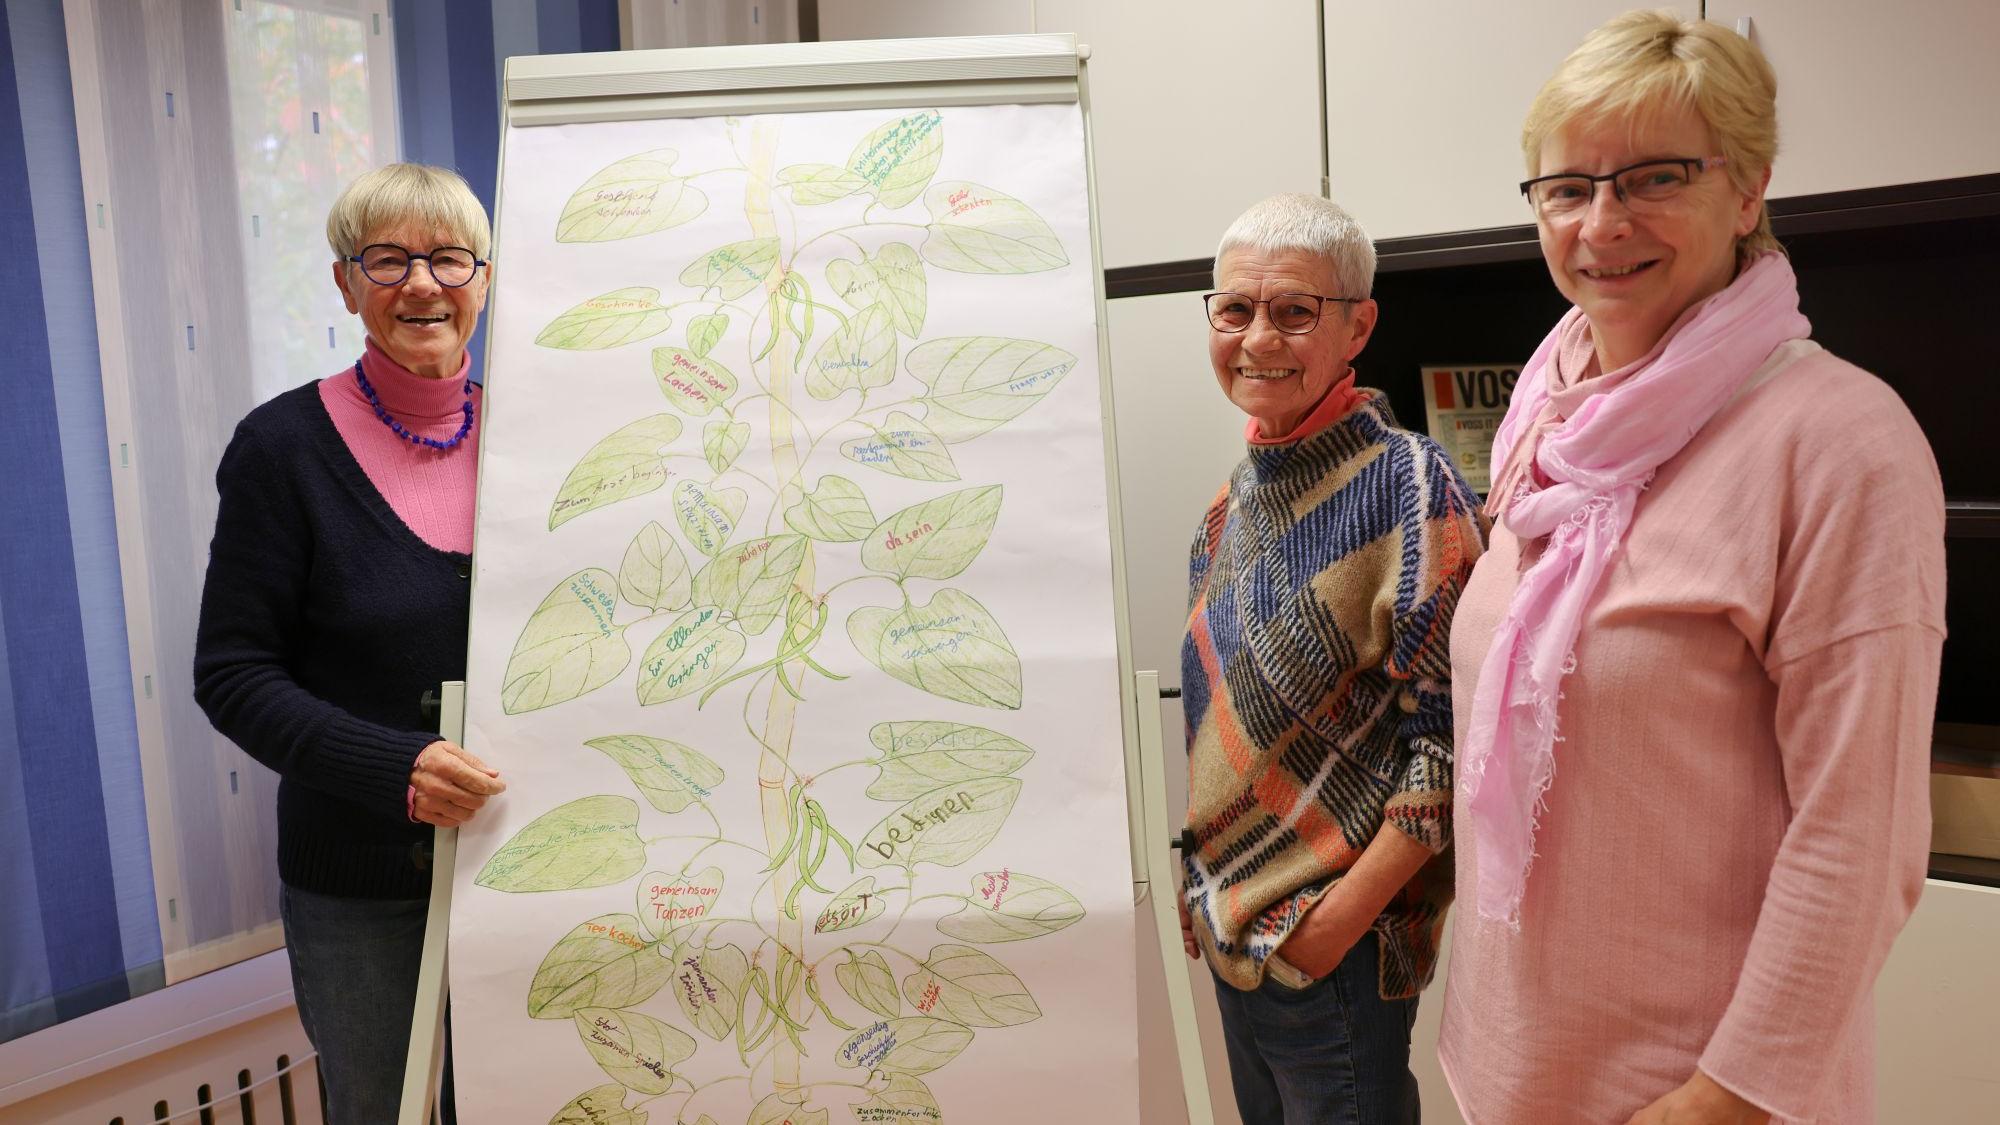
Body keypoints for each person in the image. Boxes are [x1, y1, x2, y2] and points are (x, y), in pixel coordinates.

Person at [1439, 13, 1946, 1125]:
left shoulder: (1837, 441)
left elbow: (1856, 838)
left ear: (1748, 186)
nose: (1601, 222)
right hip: (1509, 1069)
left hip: (1690, 1095)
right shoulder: (1543, 423)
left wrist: (1722, 1099)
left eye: (1652, 177)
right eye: (1565, 187)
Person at [194, 163, 507, 1123]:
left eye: (449, 258)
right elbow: (233, 674)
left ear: (485, 280)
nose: (422, 284)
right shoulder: (281, 449)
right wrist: (395, 766)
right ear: (346, 283)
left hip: (532, 866)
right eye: (388, 259)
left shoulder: (542, 440)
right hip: (363, 888)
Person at [1177, 192, 1485, 1124]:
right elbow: (1225, 718)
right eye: (1235, 308)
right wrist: (1210, 875)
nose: (1257, 336)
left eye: (1294, 310)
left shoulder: (1409, 482)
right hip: (1242, 937)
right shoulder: (1230, 506)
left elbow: (1451, 744)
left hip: (1333, 957)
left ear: (1358, 326)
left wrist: (1335, 925)